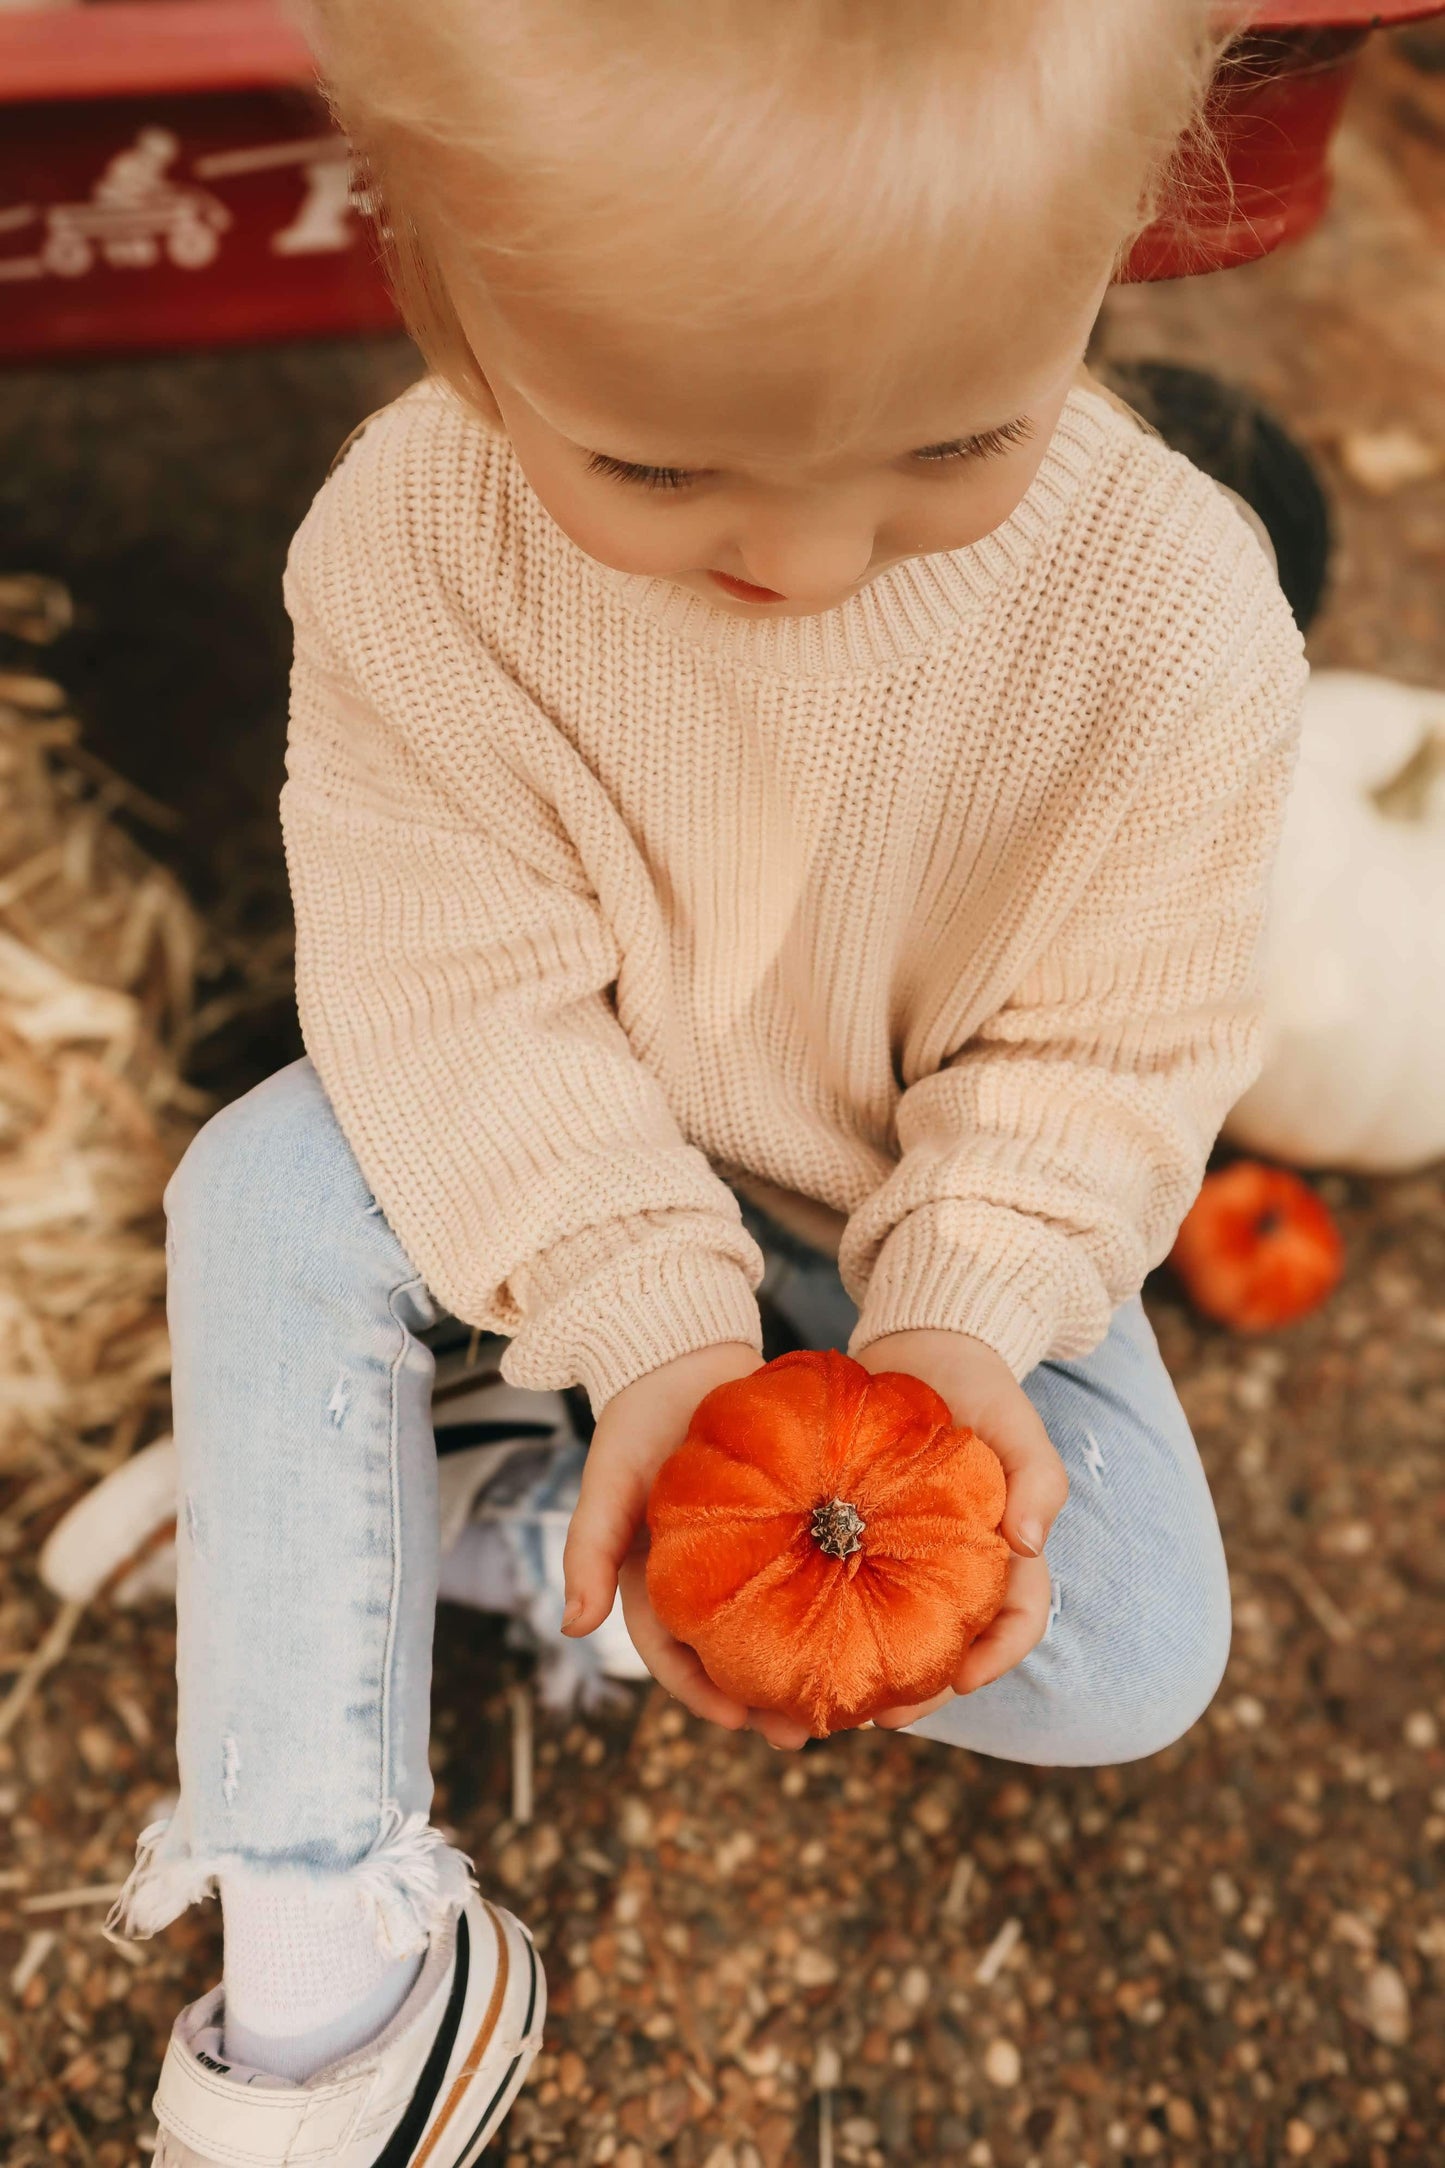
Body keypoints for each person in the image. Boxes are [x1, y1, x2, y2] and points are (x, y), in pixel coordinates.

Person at [114, 3, 1307, 2161]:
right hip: (543, 1140)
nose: (808, 562)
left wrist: (958, 1318)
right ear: (433, 272)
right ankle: (327, 1947)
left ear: (1121, 228)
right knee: (262, 1191)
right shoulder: (413, 552)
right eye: (660, 470)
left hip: (899, 1218)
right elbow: (456, 994)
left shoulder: (1175, 619)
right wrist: (643, 1306)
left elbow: (1105, 1044)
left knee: (1136, 1648)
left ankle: (414, 1502)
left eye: (958, 448)